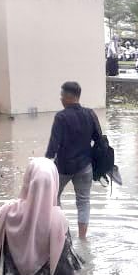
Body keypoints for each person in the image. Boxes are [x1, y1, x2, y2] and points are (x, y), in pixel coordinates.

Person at [45, 81, 101, 240]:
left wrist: (46, 163)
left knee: (54, 197)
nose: (60, 99)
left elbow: (53, 145)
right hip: (85, 166)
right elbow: (99, 139)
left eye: (61, 96)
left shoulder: (61, 117)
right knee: (83, 201)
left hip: (63, 167)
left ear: (68, 97)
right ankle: (82, 238)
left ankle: (62, 234)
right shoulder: (90, 114)